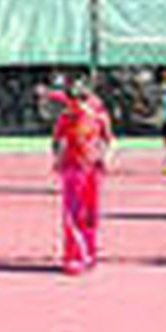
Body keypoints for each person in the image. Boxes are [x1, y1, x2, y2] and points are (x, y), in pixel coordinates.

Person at [51, 81, 113, 275]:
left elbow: (108, 140)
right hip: (72, 168)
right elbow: (56, 141)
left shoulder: (99, 117)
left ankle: (90, 253)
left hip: (93, 168)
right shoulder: (65, 118)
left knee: (91, 213)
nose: (71, 106)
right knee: (72, 212)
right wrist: (58, 159)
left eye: (75, 102)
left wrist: (106, 158)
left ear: (84, 100)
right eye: (69, 102)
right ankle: (73, 256)